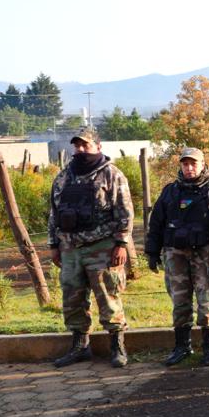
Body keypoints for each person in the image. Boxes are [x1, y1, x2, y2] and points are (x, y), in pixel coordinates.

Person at [48, 127, 134, 368]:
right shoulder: (64, 177)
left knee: (108, 297)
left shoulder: (112, 174)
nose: (81, 150)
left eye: (85, 145)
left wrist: (121, 243)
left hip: (103, 247)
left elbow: (125, 212)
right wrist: (54, 244)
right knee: (72, 298)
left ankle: (117, 346)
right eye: (77, 146)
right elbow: (53, 213)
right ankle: (79, 346)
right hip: (70, 248)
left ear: (98, 146)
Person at [145, 148, 209, 367]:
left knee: (207, 301)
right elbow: (156, 222)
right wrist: (152, 251)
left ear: (203, 164)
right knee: (179, 301)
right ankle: (182, 346)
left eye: (193, 163)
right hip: (175, 254)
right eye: (185, 164)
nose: (189, 168)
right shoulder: (170, 192)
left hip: (205, 253)